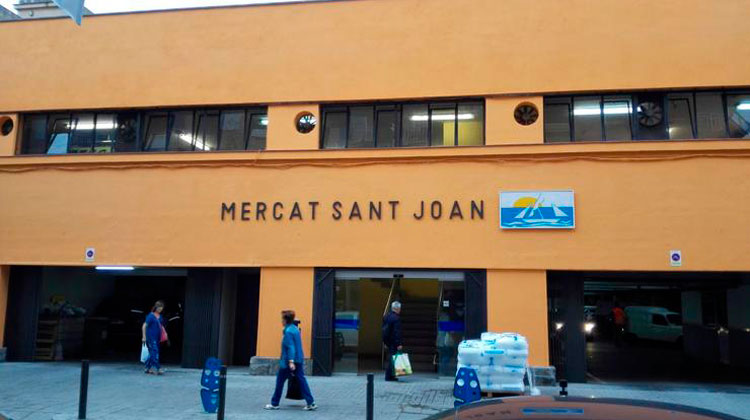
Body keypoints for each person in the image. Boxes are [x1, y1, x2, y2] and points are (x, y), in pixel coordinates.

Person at [265, 310, 317, 411]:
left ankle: (274, 403)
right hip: (299, 358)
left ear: (285, 320)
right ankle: (311, 402)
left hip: (288, 362)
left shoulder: (288, 332)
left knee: (280, 381)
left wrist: (291, 361)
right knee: (301, 380)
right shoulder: (295, 329)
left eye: (282, 319)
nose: (281, 321)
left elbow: (290, 347)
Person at [141, 300, 167, 375]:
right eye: (159, 308)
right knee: (155, 352)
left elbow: (161, 326)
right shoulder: (150, 316)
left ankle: (147, 368)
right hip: (151, 337)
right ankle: (158, 368)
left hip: (157, 337)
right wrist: (144, 337)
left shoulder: (160, 317)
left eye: (161, 308)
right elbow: (144, 326)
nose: (160, 309)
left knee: (152, 352)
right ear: (156, 307)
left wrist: (165, 334)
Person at [382, 301, 403, 382]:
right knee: (393, 359)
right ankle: (389, 375)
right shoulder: (396, 318)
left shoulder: (386, 316)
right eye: (399, 308)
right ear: (397, 308)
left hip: (388, 341)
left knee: (391, 358)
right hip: (394, 342)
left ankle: (390, 375)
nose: (400, 310)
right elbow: (397, 332)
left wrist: (385, 342)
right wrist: (399, 343)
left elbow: (384, 330)